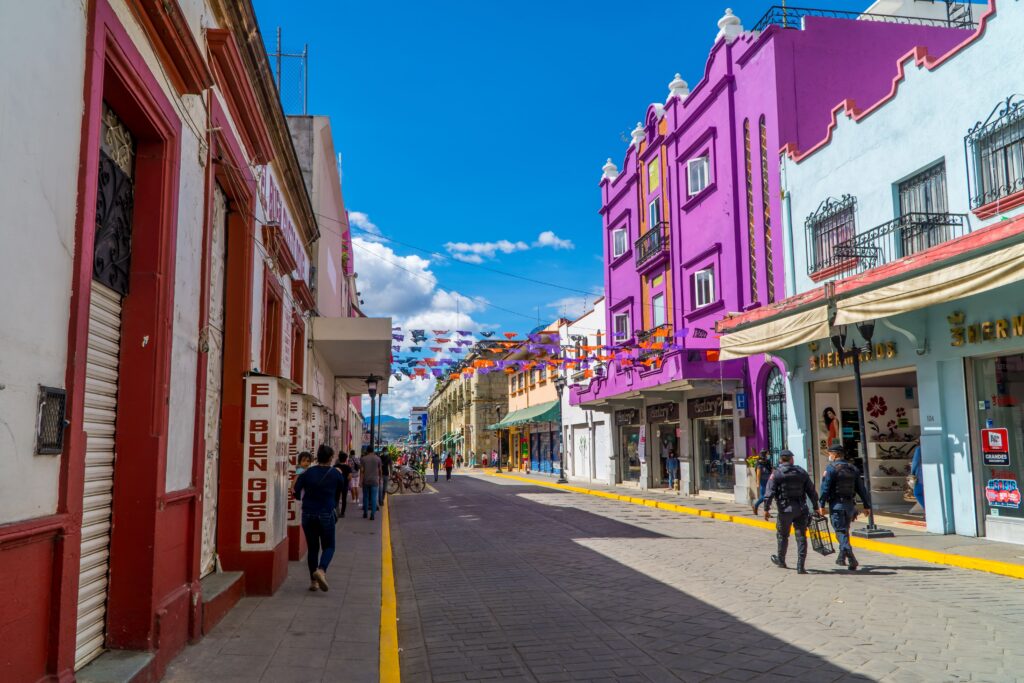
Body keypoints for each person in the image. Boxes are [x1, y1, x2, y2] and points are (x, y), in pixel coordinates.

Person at [293, 444, 345, 591]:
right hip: (326, 513)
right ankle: (321, 570)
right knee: (329, 546)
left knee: (313, 549)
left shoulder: (307, 473)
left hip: (308, 514)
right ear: (330, 458)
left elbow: (296, 493)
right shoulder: (335, 473)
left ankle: (313, 582)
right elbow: (341, 491)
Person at [763, 450, 819, 574]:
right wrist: (816, 506)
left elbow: (769, 492)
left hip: (785, 509)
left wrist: (766, 509)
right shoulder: (801, 472)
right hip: (801, 509)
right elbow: (811, 491)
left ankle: (781, 560)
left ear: (780, 460)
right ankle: (801, 565)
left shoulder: (777, 473)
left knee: (782, 535)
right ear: (791, 459)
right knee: (801, 536)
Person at [819, 443, 872, 571]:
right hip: (850, 506)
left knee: (840, 531)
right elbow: (861, 489)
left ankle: (851, 557)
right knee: (844, 530)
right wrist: (866, 505)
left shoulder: (831, 469)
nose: (829, 456)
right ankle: (842, 557)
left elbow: (825, 489)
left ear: (835, 454)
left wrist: (821, 505)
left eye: (830, 453)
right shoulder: (853, 468)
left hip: (837, 505)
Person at [360, 446, 383, 520]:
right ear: (373, 451)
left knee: (365, 497)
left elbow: (362, 471)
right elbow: (380, 470)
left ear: (367, 451)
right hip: (375, 480)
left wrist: (360, 481)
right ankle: (372, 514)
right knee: (373, 498)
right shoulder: (378, 459)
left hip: (366, 480)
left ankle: (365, 513)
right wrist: (380, 479)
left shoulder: (363, 459)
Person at [751, 449, 774, 515]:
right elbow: (758, 473)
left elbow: (771, 469)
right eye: (767, 454)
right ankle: (756, 505)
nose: (768, 455)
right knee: (765, 496)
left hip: (768, 480)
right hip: (763, 481)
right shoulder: (759, 463)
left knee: (765, 497)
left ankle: (766, 512)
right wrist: (758, 482)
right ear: (764, 454)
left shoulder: (767, 462)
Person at [333, 452, 353, 517]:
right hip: (345, 485)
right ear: (346, 459)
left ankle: (336, 511)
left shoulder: (335, 466)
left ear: (339, 458)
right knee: (344, 499)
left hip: (336, 485)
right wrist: (346, 480)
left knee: (336, 498)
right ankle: (342, 513)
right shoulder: (348, 467)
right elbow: (350, 477)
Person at [910, 444, 925, 510]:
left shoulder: (919, 449)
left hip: (921, 474)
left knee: (917, 493)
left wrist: (912, 472)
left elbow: (915, 461)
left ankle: (927, 508)